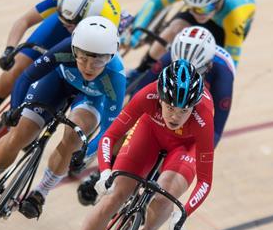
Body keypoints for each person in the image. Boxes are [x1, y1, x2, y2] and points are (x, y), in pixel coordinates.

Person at [47, 59, 215, 230]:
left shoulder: (203, 116)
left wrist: (184, 212)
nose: (175, 116)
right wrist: (105, 172)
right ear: (160, 98)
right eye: (170, 107)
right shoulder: (147, 95)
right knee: (114, 195)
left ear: (194, 106)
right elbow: (109, 136)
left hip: (184, 148)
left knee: (165, 194)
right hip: (150, 133)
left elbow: (205, 181)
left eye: (183, 110)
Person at [0, 17, 125, 219]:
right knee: (20, 133)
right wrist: (15, 110)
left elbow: (110, 130)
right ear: (74, 50)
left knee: (73, 139)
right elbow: (27, 77)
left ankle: (40, 193)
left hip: (90, 98)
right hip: (57, 81)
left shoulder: (116, 76)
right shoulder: (65, 48)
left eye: (98, 60)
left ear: (111, 56)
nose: (89, 67)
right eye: (82, 58)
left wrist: (85, 152)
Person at [76, 26, 234, 205]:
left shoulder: (223, 76)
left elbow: (216, 131)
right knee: (131, 122)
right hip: (165, 110)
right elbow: (140, 91)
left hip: (192, 118)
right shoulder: (169, 58)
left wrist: (198, 155)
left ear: (208, 67)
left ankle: (150, 189)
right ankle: (101, 173)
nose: (185, 75)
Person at [0, 0, 123, 144]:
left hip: (89, 39)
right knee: (19, 64)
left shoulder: (107, 22)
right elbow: (24, 21)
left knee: (72, 72)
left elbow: (103, 61)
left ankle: (39, 123)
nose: (67, 26)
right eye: (64, 21)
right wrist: (9, 50)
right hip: (68, 26)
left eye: (70, 25)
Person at [125, 0, 254, 86]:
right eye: (191, 6)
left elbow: (230, 62)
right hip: (210, 9)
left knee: (209, 59)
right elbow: (154, 2)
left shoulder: (234, 15)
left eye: (203, 9)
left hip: (224, 25)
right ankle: (141, 70)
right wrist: (136, 34)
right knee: (174, 28)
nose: (197, 13)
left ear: (219, 0)